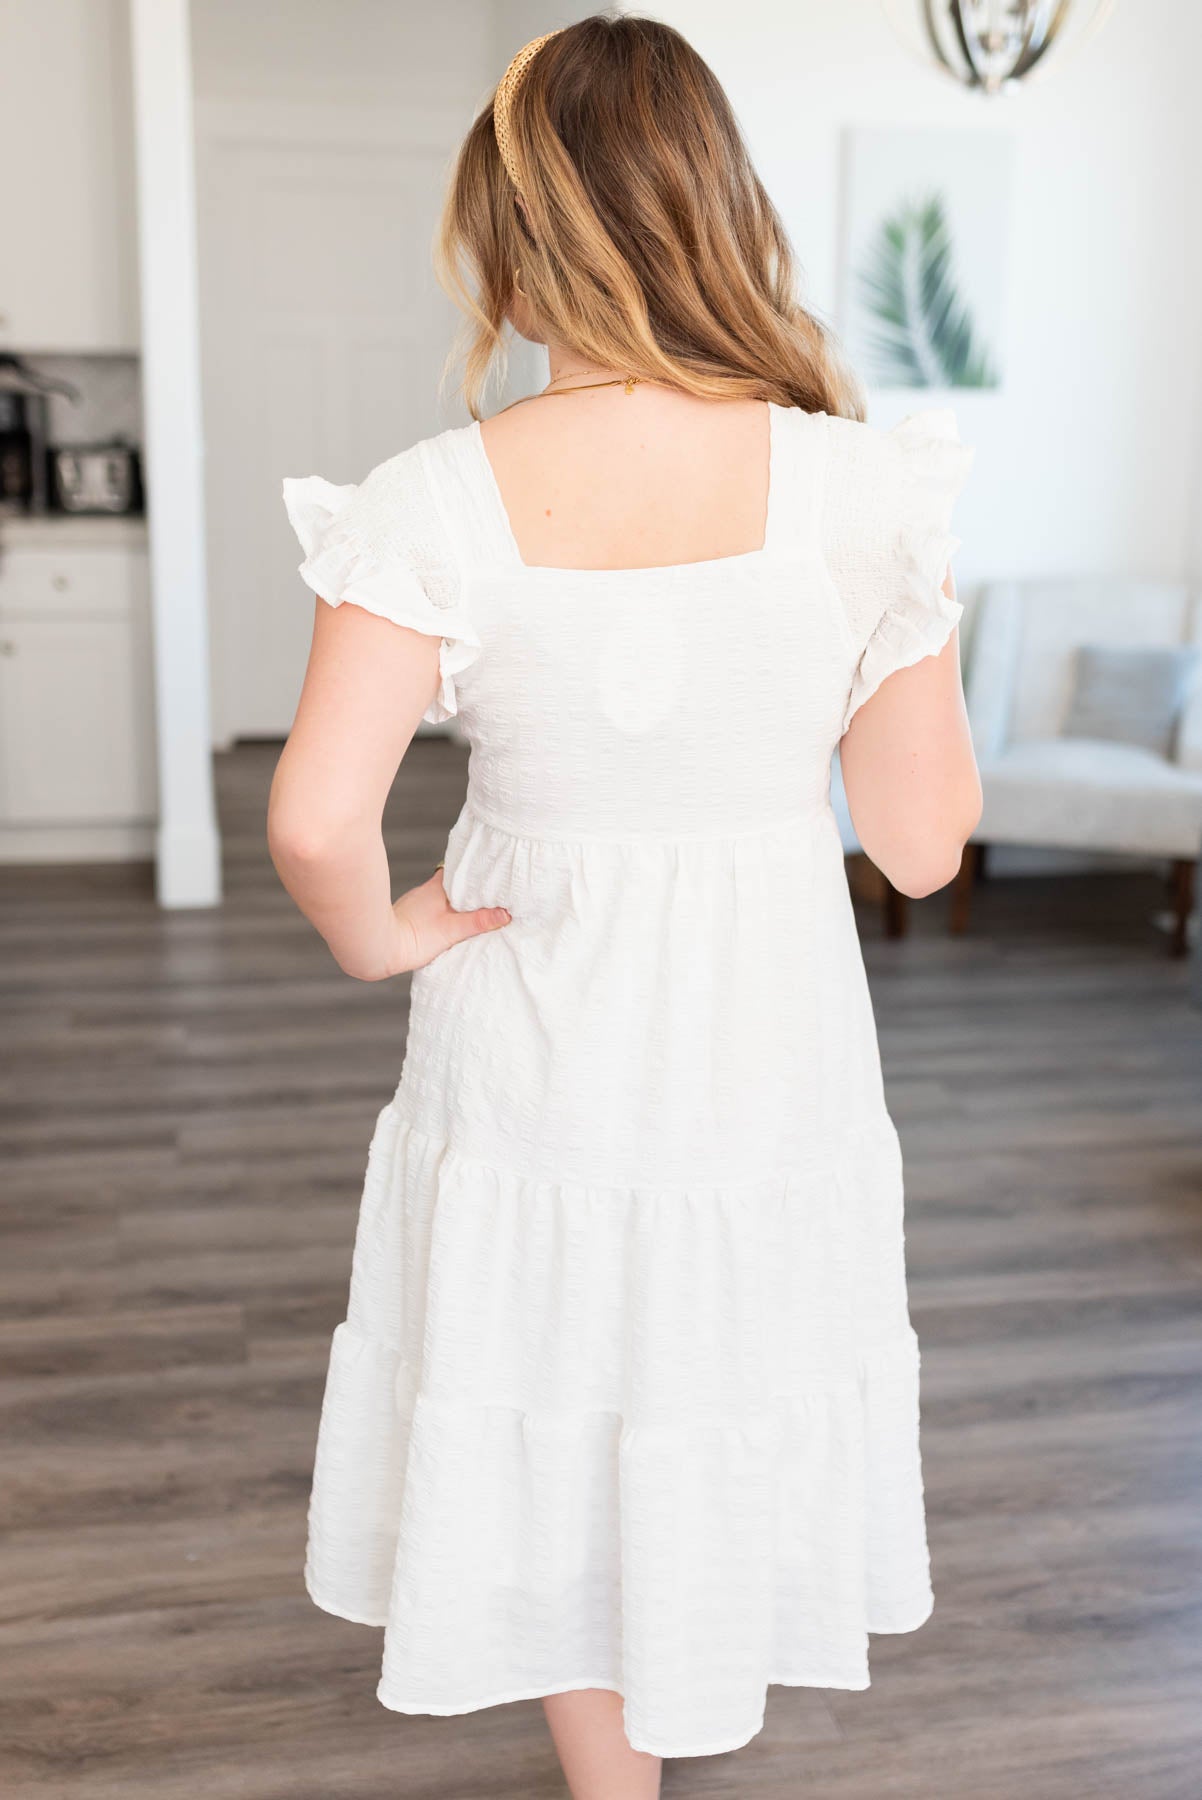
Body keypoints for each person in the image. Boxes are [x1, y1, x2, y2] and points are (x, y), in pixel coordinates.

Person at [269, 15, 982, 1798]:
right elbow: (920, 848)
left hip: (530, 1032)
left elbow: (313, 818)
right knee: (709, 1363)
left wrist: (377, 936)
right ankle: (683, 1692)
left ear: (508, 232)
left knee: (557, 1370)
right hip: (763, 1036)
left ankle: (617, 1779)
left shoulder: (435, 498)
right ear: (714, 208)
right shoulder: (857, 491)